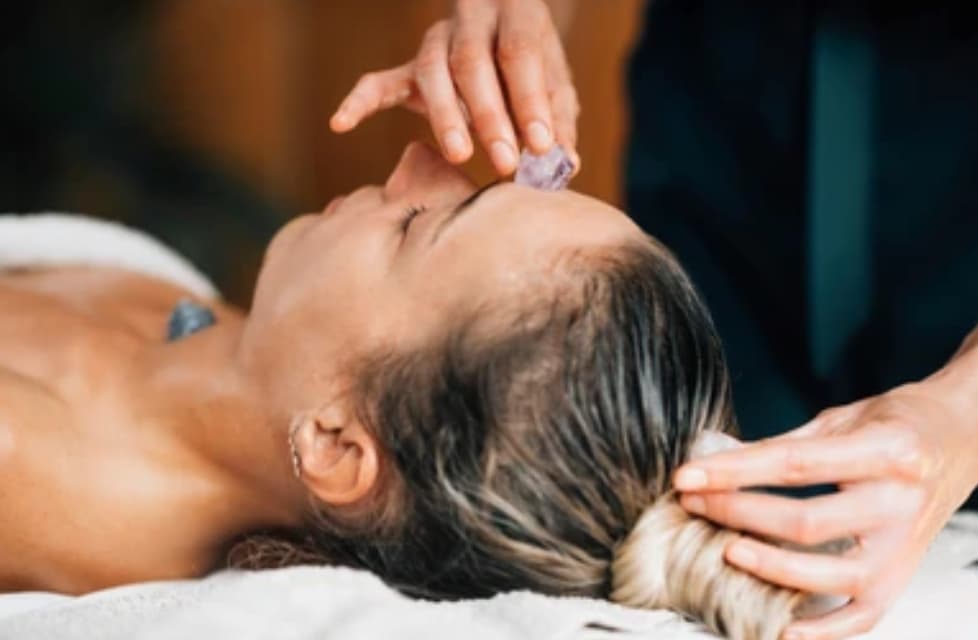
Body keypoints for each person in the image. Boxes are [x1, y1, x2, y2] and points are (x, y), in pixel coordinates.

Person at [2, 141, 855, 638]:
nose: (420, 160)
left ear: (337, 446)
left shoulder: (26, 464)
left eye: (415, 228)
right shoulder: (240, 366)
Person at [331, 2, 978, 637]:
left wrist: (963, 416)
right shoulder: (644, 378)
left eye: (417, 228)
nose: (417, 165)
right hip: (719, 152)